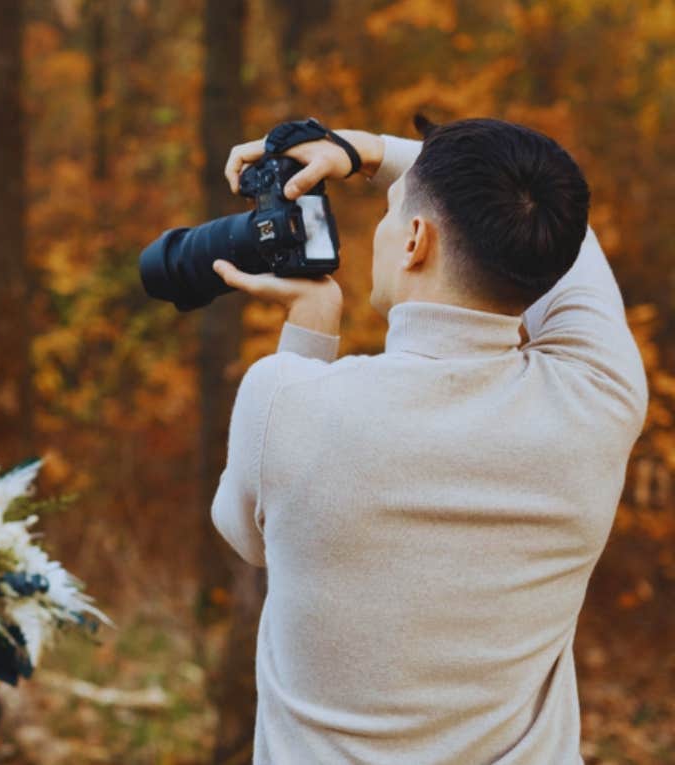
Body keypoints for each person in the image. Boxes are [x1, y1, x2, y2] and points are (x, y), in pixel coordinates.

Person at [207, 119, 646, 763]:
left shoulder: (285, 399)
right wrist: (370, 157)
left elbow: (249, 539)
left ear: (415, 239)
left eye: (391, 213)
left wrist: (308, 332)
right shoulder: (599, 398)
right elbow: (572, 245)